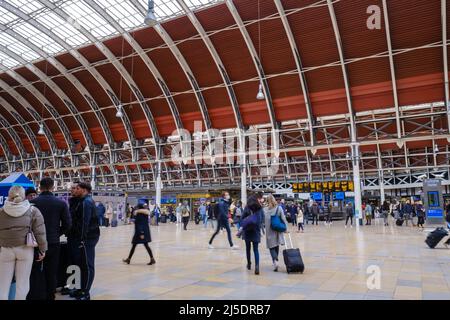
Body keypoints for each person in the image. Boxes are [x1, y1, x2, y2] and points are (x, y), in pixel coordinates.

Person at [0, 186, 47, 300]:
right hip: (25, 249)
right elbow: (40, 232)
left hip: (5, 250)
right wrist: (42, 250)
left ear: (9, 195)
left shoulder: (1, 211)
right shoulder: (33, 210)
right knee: (23, 283)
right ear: (23, 195)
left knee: (3, 284)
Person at [30, 177, 71, 300]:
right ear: (53, 187)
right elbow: (68, 224)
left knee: (35, 269)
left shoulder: (33, 203)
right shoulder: (61, 203)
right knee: (51, 270)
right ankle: (50, 294)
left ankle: (36, 294)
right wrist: (56, 234)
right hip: (53, 242)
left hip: (35, 243)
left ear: (40, 187)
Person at [69, 182, 100, 300]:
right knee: (82, 264)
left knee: (87, 265)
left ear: (84, 190)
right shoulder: (84, 201)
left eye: (78, 188)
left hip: (88, 238)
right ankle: (81, 289)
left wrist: (82, 239)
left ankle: (86, 292)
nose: (75, 190)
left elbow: (84, 223)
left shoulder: (86, 202)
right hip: (86, 237)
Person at [241, 195, 264, 275]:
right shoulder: (260, 208)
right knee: (256, 250)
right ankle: (257, 266)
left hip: (247, 231)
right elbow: (262, 220)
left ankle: (249, 264)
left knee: (248, 249)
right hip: (256, 231)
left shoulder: (247, 208)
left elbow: (242, 218)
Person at [264, 195, 288, 272]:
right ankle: (276, 261)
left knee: (271, 247)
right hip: (277, 230)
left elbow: (262, 220)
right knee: (276, 245)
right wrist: (286, 228)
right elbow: (283, 219)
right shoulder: (279, 208)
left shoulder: (265, 209)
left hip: (269, 231)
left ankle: (275, 261)